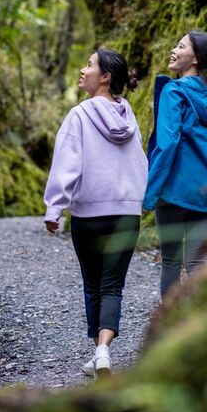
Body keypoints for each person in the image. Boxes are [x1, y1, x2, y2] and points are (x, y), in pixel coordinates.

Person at [44, 48, 146, 378]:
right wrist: (139, 201)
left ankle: (98, 353)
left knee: (93, 285)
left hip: (89, 216)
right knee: (113, 285)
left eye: (89, 65)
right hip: (127, 214)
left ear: (105, 77)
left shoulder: (79, 115)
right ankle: (103, 350)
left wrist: (55, 207)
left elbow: (66, 165)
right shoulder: (129, 118)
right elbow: (141, 163)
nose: (82, 69)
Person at [144, 29, 207, 297]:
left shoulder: (174, 91)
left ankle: (172, 329)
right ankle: (200, 327)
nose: (174, 50)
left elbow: (168, 143)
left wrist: (150, 191)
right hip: (206, 192)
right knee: (198, 263)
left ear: (195, 59)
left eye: (181, 46)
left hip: (173, 191)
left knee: (172, 263)